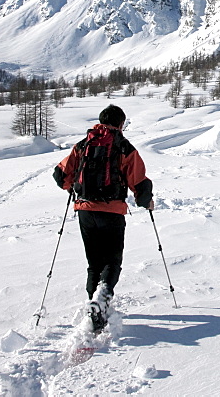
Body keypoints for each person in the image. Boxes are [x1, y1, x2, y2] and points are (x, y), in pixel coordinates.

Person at [52, 104, 152, 332]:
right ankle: (102, 297)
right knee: (112, 260)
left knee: (94, 262)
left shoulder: (83, 145)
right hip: (112, 211)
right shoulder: (125, 148)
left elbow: (60, 175)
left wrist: (71, 187)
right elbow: (139, 181)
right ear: (120, 124)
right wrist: (147, 201)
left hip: (85, 211)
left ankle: (94, 308)